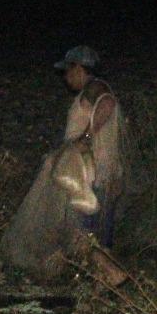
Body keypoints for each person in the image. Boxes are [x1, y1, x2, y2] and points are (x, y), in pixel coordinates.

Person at [54, 45, 131, 254]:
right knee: (97, 234)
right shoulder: (89, 91)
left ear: (79, 68)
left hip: (94, 174)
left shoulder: (94, 88)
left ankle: (102, 275)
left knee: (92, 233)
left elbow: (107, 104)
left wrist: (87, 136)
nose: (65, 78)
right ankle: (100, 276)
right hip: (93, 173)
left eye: (68, 71)